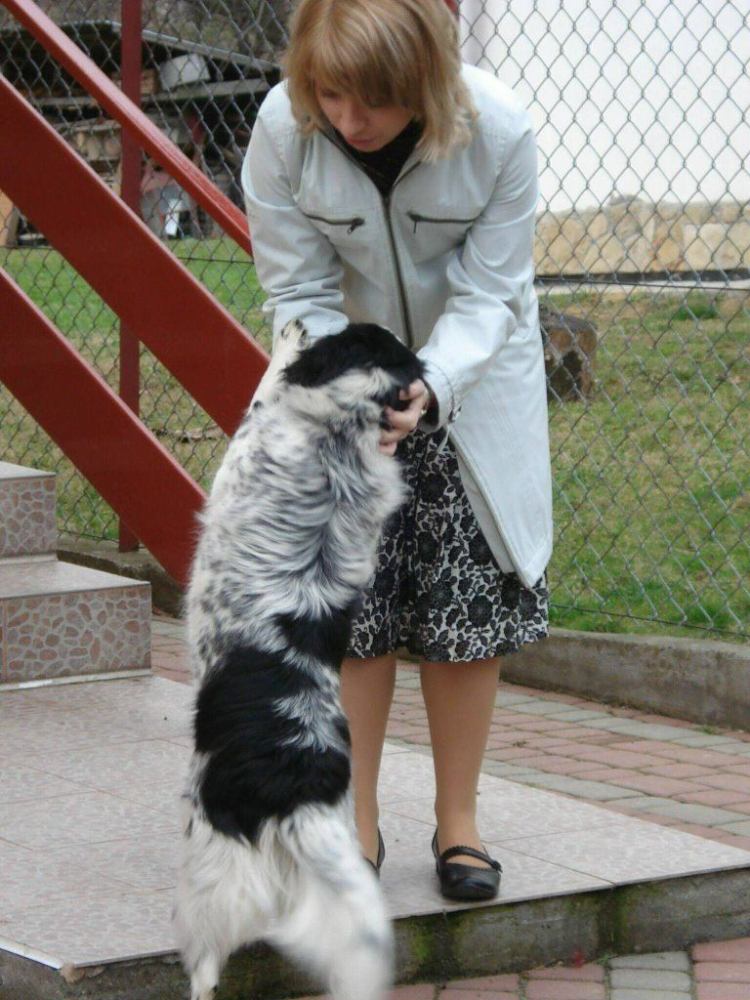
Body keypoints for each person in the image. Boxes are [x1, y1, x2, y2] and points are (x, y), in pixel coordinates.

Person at [242, 0, 552, 901]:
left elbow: (492, 296)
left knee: (466, 612)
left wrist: (433, 384)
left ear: (425, 80)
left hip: (473, 383)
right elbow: (297, 288)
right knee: (353, 610)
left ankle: (460, 821)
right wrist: (352, 381)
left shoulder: (500, 132)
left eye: (374, 99)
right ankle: (354, 821)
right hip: (345, 383)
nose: (350, 119)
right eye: (331, 95)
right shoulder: (282, 128)